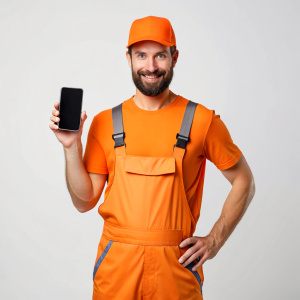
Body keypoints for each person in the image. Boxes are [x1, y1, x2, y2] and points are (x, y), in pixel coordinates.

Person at [49, 15, 255, 300]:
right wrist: (71, 147)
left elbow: (245, 181)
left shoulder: (202, 120)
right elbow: (83, 201)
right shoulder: (105, 123)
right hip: (116, 267)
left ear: (175, 57)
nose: (151, 66)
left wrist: (214, 240)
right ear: (129, 58)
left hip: (176, 267)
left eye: (160, 55)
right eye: (141, 56)